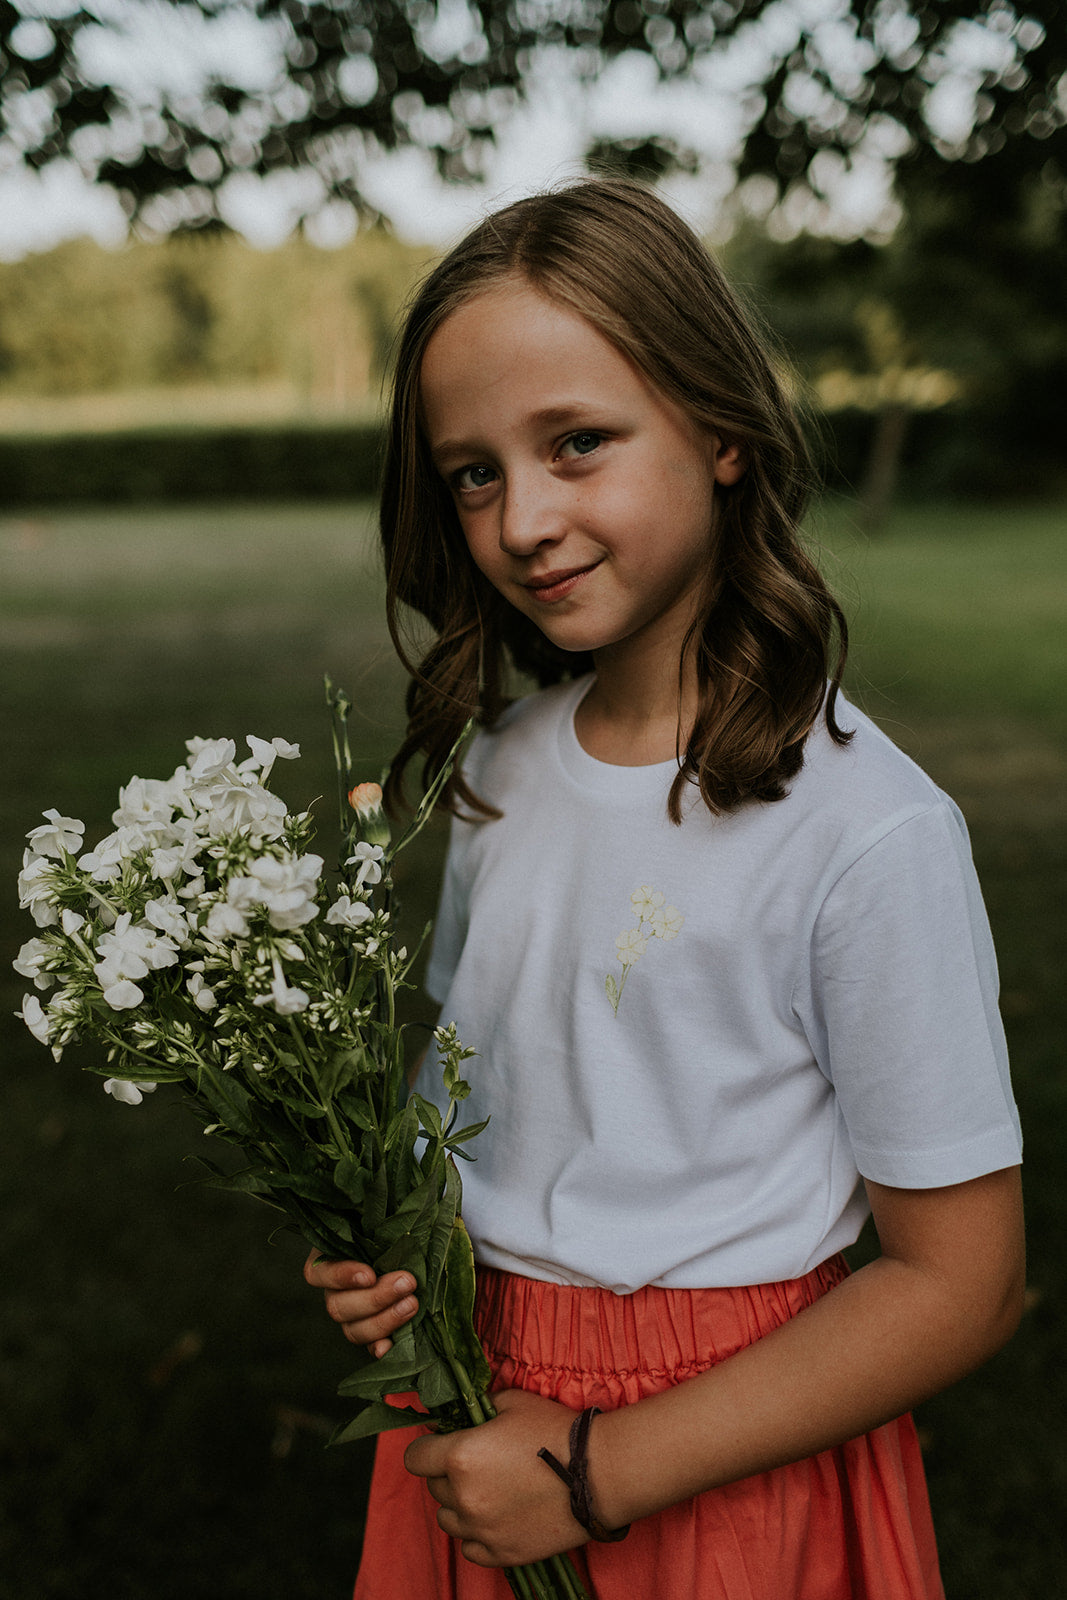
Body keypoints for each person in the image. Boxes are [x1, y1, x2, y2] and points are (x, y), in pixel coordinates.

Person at [305, 178, 1024, 1599]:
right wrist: (394, 1252)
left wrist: (594, 1471)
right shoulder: (502, 772)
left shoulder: (866, 830)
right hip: (472, 1433)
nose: (521, 519)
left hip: (709, 1460)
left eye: (578, 443)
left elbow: (964, 1283)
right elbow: (471, 1112)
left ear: (721, 432)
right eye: (474, 472)